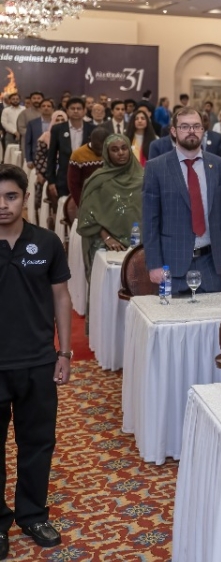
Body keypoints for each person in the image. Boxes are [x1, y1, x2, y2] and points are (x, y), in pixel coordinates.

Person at [0, 164, 73, 555]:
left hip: (38, 362)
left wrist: (64, 352)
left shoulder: (46, 243)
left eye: (11, 196)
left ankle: (31, 515)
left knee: (37, 443)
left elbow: (61, 296)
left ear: (25, 199)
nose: (3, 205)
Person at [141, 108, 221, 294]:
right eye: (184, 127)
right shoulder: (156, 168)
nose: (191, 131)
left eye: (196, 126)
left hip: (211, 263)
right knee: (172, 321)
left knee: (212, 321)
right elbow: (150, 220)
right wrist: (154, 264)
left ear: (203, 130)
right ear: (173, 131)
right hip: (171, 264)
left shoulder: (220, 165)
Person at [76, 134, 143, 280]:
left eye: (124, 148)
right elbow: (87, 215)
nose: (120, 153)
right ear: (107, 153)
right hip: (107, 243)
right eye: (114, 149)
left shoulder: (143, 178)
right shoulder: (97, 180)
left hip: (140, 243)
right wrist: (106, 237)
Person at [45, 97, 95, 204]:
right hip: (63, 179)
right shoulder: (58, 129)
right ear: (67, 111)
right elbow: (51, 156)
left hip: (86, 180)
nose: (76, 111)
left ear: (84, 111)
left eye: (79, 108)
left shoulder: (92, 129)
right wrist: (51, 181)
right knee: (63, 213)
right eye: (72, 108)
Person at [67, 127, 110, 208]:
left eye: (103, 148)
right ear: (90, 140)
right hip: (87, 200)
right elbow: (73, 185)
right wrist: (82, 204)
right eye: (97, 148)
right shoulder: (78, 155)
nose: (100, 152)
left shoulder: (112, 151)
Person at [21, 98, 54, 170]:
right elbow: (28, 143)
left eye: (49, 106)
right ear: (40, 109)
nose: (46, 108)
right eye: (43, 106)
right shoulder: (32, 123)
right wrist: (29, 159)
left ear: (52, 109)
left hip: (53, 158)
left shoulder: (57, 123)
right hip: (36, 157)